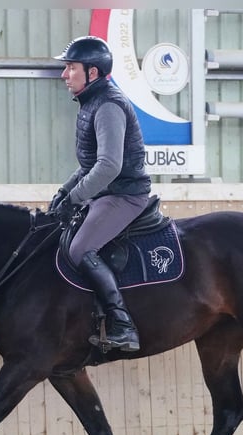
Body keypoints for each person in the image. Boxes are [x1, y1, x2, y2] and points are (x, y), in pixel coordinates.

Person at [50, 35, 151, 353]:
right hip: (106, 192)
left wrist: (76, 198)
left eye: (71, 68)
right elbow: (89, 165)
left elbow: (108, 166)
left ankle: (123, 325)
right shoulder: (92, 102)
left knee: (80, 248)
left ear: (92, 72)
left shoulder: (108, 105)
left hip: (125, 194)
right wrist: (64, 193)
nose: (65, 75)